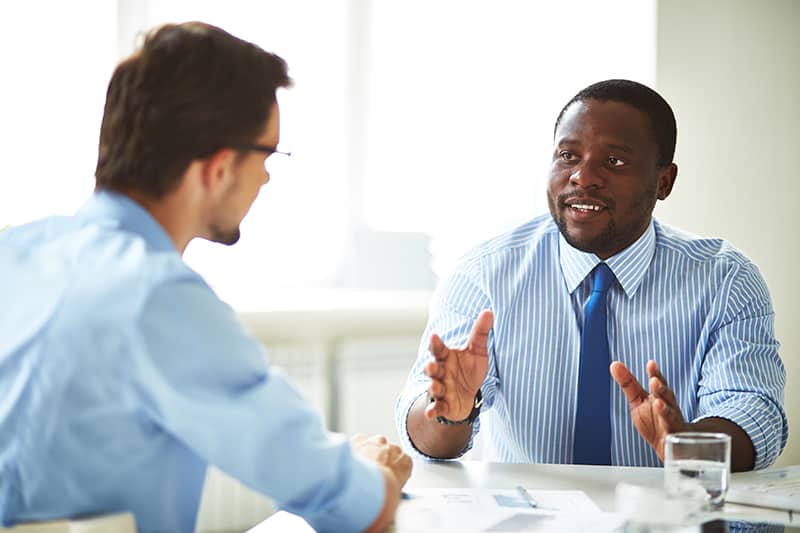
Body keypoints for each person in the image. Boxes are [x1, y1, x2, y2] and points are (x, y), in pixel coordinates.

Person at [0, 22, 411, 533]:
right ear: (218, 169)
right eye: (268, 154)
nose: (265, 176)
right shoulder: (159, 298)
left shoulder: (15, 251)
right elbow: (356, 508)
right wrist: (376, 472)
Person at [395, 79, 787, 473]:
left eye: (614, 161)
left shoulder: (726, 280)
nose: (583, 177)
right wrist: (450, 413)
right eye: (568, 155)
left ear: (664, 181)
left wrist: (689, 448)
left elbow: (754, 411)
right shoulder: (484, 273)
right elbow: (426, 434)